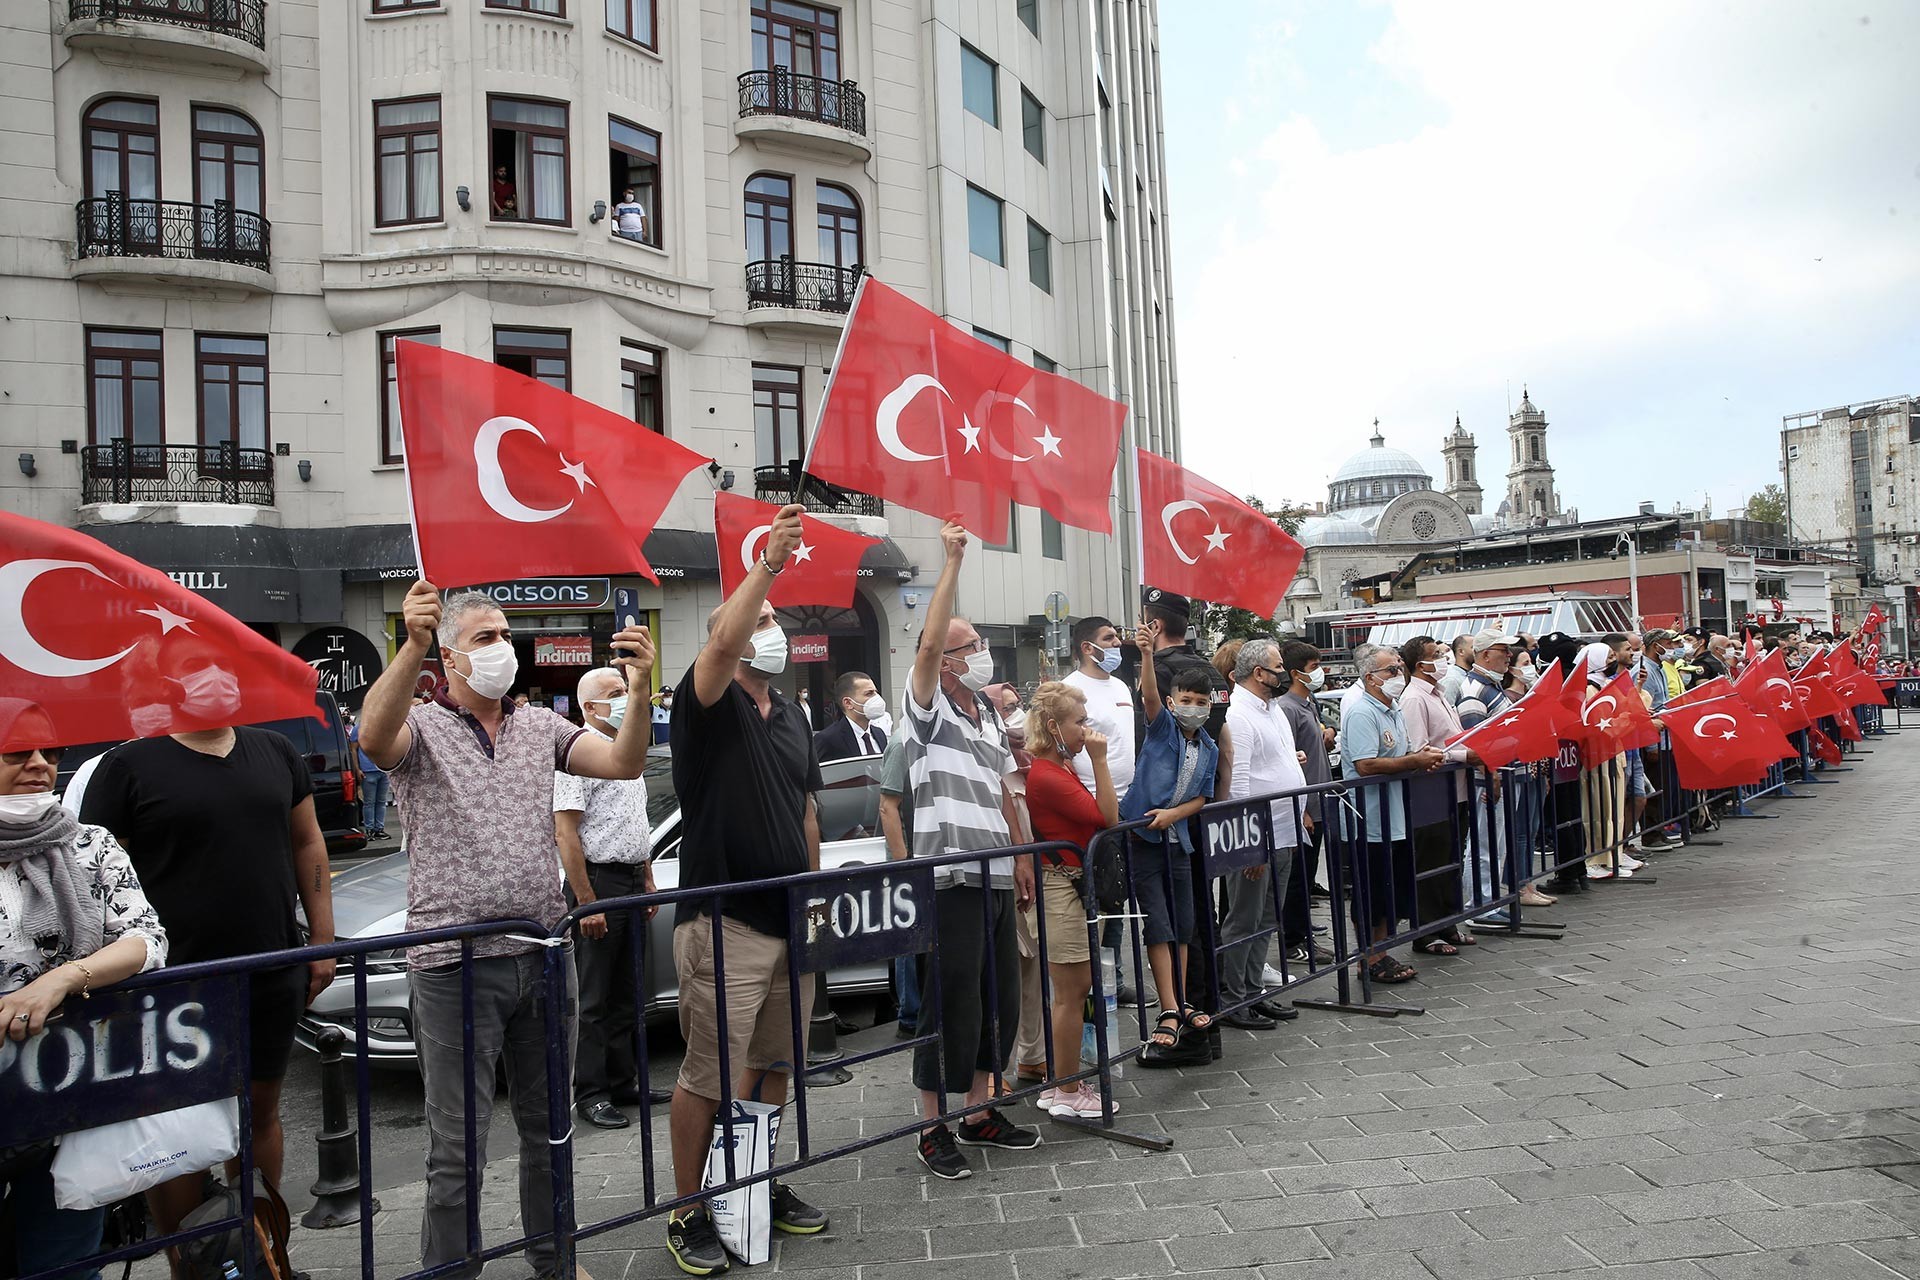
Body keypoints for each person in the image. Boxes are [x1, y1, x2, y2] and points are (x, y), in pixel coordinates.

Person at [353, 583, 656, 1280]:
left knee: (550, 1128)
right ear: (450, 656)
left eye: (505, 636)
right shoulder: (422, 727)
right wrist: (411, 646)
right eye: (485, 638)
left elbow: (623, 763)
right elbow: (373, 738)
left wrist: (638, 692)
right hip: (454, 963)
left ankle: (554, 1259)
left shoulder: (539, 727)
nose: (502, 649)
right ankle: (453, 1270)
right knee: (457, 1146)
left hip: (544, 952)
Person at [81, 672, 336, 1239]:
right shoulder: (127, 767)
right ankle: (192, 1259)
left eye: (228, 667)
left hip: (270, 970)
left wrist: (322, 940)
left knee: (259, 1113)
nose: (221, 679)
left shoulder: (275, 750)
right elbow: (92, 877)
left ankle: (265, 1252)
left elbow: (307, 841)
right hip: (172, 982)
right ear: (171, 685)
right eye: (203, 670)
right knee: (179, 1127)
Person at [659, 503, 828, 1274]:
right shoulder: (706, 701)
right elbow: (723, 642)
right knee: (711, 1071)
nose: (771, 627)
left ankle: (753, 1183)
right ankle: (688, 1207)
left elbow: (805, 810)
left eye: (776, 617)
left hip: (791, 921)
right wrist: (767, 562)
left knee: (776, 1064)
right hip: (724, 920)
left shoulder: (793, 714)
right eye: (757, 617)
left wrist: (816, 902)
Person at [1, 701, 168, 1280]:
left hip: (72, 1091)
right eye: (15, 755)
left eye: (48, 753)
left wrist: (63, 980)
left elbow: (146, 939)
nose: (39, 765)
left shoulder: (90, 843)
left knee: (66, 1261)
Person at [903, 522, 1039, 1181]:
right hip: (950, 874)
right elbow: (928, 641)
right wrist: (951, 562)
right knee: (949, 998)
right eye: (969, 646)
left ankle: (981, 1109)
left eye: (981, 643)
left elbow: (1004, 790)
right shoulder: (926, 708)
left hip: (991, 873)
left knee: (997, 997)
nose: (980, 653)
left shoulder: (985, 715)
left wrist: (1019, 857)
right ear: (946, 660)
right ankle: (932, 1126)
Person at [556, 667, 668, 1133]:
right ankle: (591, 1093)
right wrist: (586, 900)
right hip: (596, 883)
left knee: (629, 992)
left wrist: (646, 878)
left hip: (628, 879)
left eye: (626, 691)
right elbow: (566, 831)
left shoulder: (628, 752)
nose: (625, 699)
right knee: (595, 998)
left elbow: (635, 822)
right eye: (615, 694)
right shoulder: (577, 755)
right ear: (589, 707)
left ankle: (624, 1082)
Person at [1020, 682, 1118, 1119]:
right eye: (1078, 722)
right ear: (1052, 726)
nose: (1085, 730)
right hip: (1062, 887)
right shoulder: (1048, 774)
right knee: (1071, 991)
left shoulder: (1057, 769)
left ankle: (1062, 1081)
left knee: (1074, 989)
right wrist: (1100, 760)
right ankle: (1066, 1088)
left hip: (1072, 884)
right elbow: (1106, 817)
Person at [1121, 643, 1220, 1068]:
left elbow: (1202, 796)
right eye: (1186, 701)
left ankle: (1180, 1002)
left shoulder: (1210, 748)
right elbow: (1146, 695)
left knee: (1184, 924)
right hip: (1143, 839)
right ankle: (1166, 1006)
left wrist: (1174, 814)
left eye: (1201, 703)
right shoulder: (1161, 728)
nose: (1193, 708)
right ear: (1172, 702)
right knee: (1158, 924)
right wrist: (1145, 655)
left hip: (1177, 837)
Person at [1217, 638, 1308, 1028]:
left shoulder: (1271, 710)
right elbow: (1237, 786)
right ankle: (1232, 997)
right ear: (1258, 674)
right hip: (1257, 835)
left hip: (1284, 829)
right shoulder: (1239, 714)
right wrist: (1248, 846)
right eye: (1277, 666)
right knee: (1244, 918)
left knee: (1267, 917)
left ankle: (1254, 991)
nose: (1284, 672)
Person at [1340, 646, 1444, 983]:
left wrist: (1417, 755)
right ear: (1370, 678)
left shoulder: (1393, 708)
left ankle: (1382, 952)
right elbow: (1365, 764)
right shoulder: (1361, 712)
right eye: (1390, 671)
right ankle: (1368, 958)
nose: (1398, 675)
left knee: (1391, 890)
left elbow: (1400, 752)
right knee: (1371, 892)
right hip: (1369, 818)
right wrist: (1412, 762)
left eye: (1399, 668)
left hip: (1395, 816)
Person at [1396, 636, 1475, 954]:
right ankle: (1426, 931)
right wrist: (1463, 757)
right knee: (1431, 862)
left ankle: (1448, 921)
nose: (1444, 659)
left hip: (1455, 791)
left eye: (1444, 653)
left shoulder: (1440, 694)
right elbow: (1419, 749)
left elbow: (1452, 737)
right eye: (1437, 655)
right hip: (1431, 794)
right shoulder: (1414, 698)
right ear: (1420, 664)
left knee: (1451, 860)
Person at [1275, 641, 1335, 963]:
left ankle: (1303, 932)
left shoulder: (1308, 704)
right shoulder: (1287, 707)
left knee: (1307, 872)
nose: (1319, 672)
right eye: (1313, 667)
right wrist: (1301, 810)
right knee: (1297, 876)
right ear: (1296, 672)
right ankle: (1293, 940)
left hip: (1318, 798)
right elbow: (1290, 760)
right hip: (1304, 806)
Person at [1063, 616, 1137, 800]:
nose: (1117, 643)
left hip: (1131, 799)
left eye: (1116, 637)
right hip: (1093, 799)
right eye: (1108, 638)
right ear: (1087, 648)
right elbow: (1059, 750)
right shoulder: (1067, 690)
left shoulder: (1121, 686)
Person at [815, 671, 887, 762]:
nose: (876, 698)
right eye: (869, 693)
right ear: (848, 703)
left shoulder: (879, 734)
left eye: (876, 692)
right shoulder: (827, 739)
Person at [350, 717, 390, 840]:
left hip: (383, 769)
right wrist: (357, 769)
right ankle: (370, 829)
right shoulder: (360, 727)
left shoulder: (384, 725)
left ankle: (378, 828)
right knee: (370, 802)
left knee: (381, 802)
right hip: (368, 769)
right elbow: (353, 749)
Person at [1437, 634, 1473, 705]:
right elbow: (1449, 711)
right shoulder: (1452, 680)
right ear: (1461, 652)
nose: (1478, 651)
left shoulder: (1471, 675)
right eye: (1473, 647)